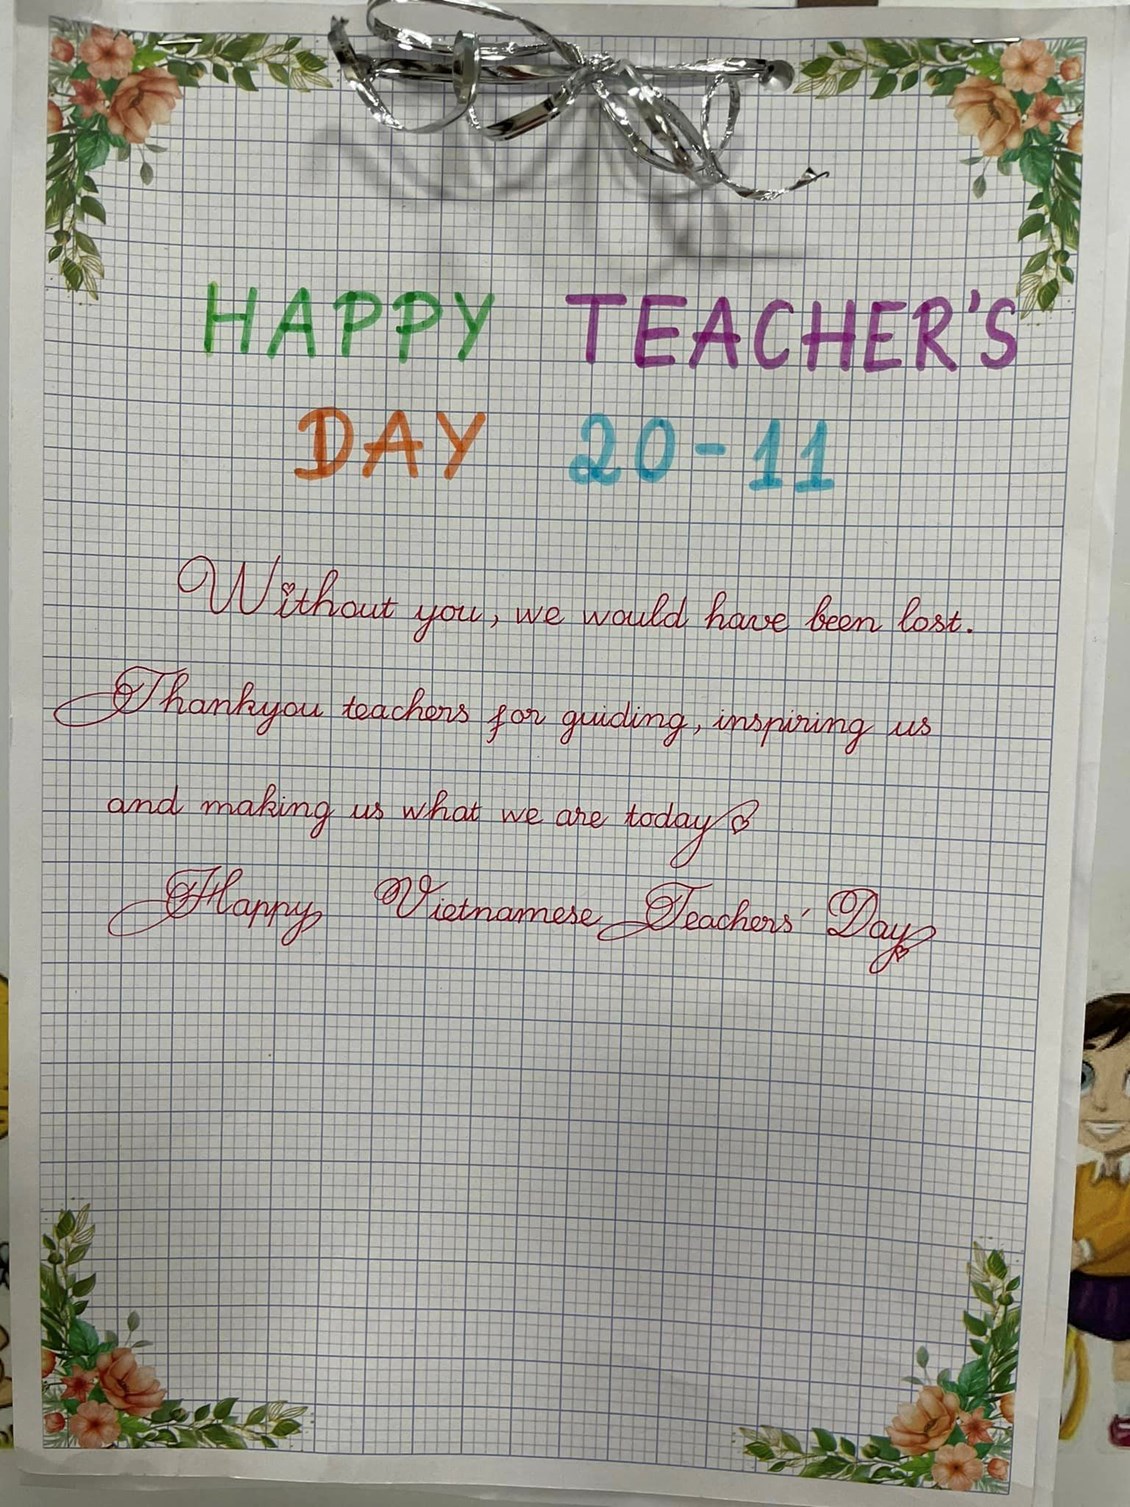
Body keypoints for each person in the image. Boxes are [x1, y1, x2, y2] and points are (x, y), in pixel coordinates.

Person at [1072, 993, 1130, 1446]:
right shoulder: (1080, 1174)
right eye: (1084, 1077)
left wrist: (1085, 1248)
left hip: (1123, 1283)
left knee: (1125, 1354)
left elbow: (1122, 1226)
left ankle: (1125, 1416)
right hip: (1081, 1281)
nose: (1104, 1103)